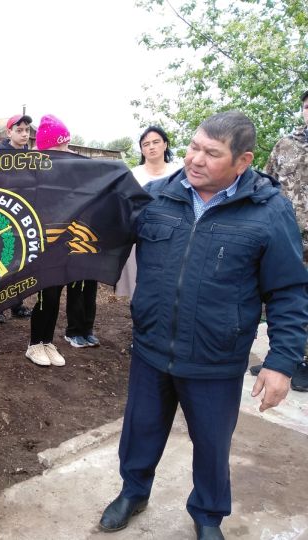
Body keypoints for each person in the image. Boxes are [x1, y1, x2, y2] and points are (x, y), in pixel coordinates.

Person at [99, 111, 308, 540]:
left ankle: (208, 514)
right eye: (194, 146)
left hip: (216, 358)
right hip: (152, 348)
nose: (194, 159)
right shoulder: (155, 198)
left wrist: (281, 362)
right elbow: (99, 233)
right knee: (140, 431)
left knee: (212, 447)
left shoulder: (268, 214)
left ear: (243, 161)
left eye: (211, 153)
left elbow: (288, 292)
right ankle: (134, 491)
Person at [250, 89, 308, 392]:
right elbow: (267, 181)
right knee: (274, 293)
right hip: (283, 233)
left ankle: (303, 361)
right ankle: (280, 358)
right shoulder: (286, 144)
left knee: (301, 297)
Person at [24, 114, 72, 367]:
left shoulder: (68, 171)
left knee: (57, 293)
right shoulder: (33, 172)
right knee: (46, 294)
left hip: (63, 242)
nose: (67, 150)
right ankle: (34, 344)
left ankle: (48, 340)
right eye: (62, 145)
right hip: (43, 244)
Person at [115, 126, 183, 299]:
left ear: (165, 144)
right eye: (146, 144)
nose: (151, 147)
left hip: (171, 234)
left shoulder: (179, 173)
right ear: (142, 149)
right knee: (138, 287)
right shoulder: (133, 175)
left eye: (156, 142)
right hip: (139, 235)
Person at [0, 113, 34, 323]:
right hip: (2, 218)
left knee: (19, 263)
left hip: (22, 217)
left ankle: (17, 304)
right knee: (0, 261)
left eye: (27, 130)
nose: (24, 134)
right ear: (9, 132)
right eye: (19, 130)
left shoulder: (30, 155)